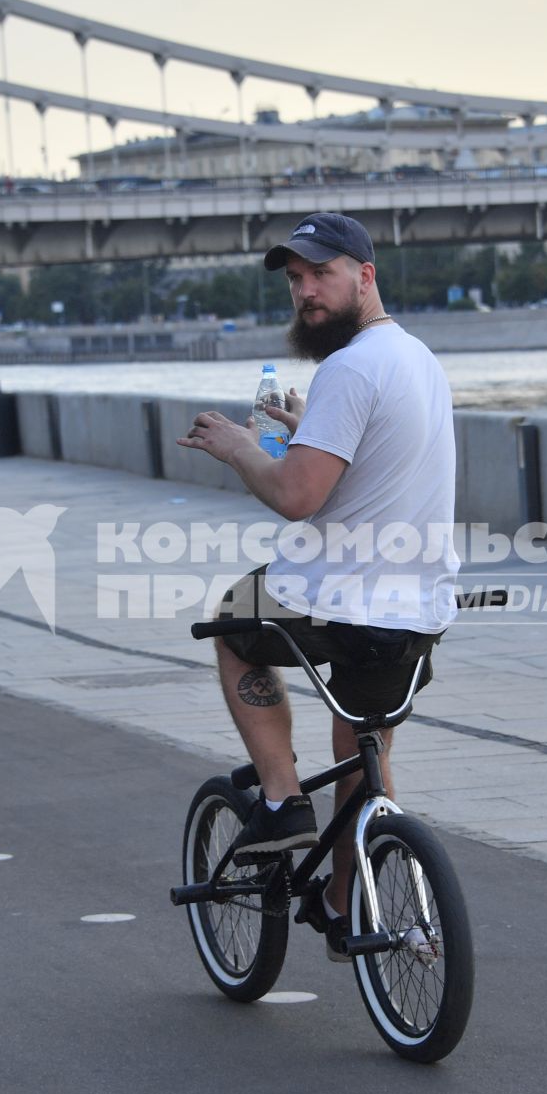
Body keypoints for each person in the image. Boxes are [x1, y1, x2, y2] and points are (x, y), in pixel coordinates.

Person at [177, 212, 458, 959]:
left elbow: (299, 496)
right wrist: (309, 426)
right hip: (418, 604)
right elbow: (367, 469)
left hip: (337, 598)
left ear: (365, 275)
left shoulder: (349, 367)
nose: (305, 292)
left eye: (320, 275)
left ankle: (280, 797)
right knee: (364, 745)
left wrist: (239, 447)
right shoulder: (418, 360)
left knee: (233, 622)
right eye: (296, 280)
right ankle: (344, 903)